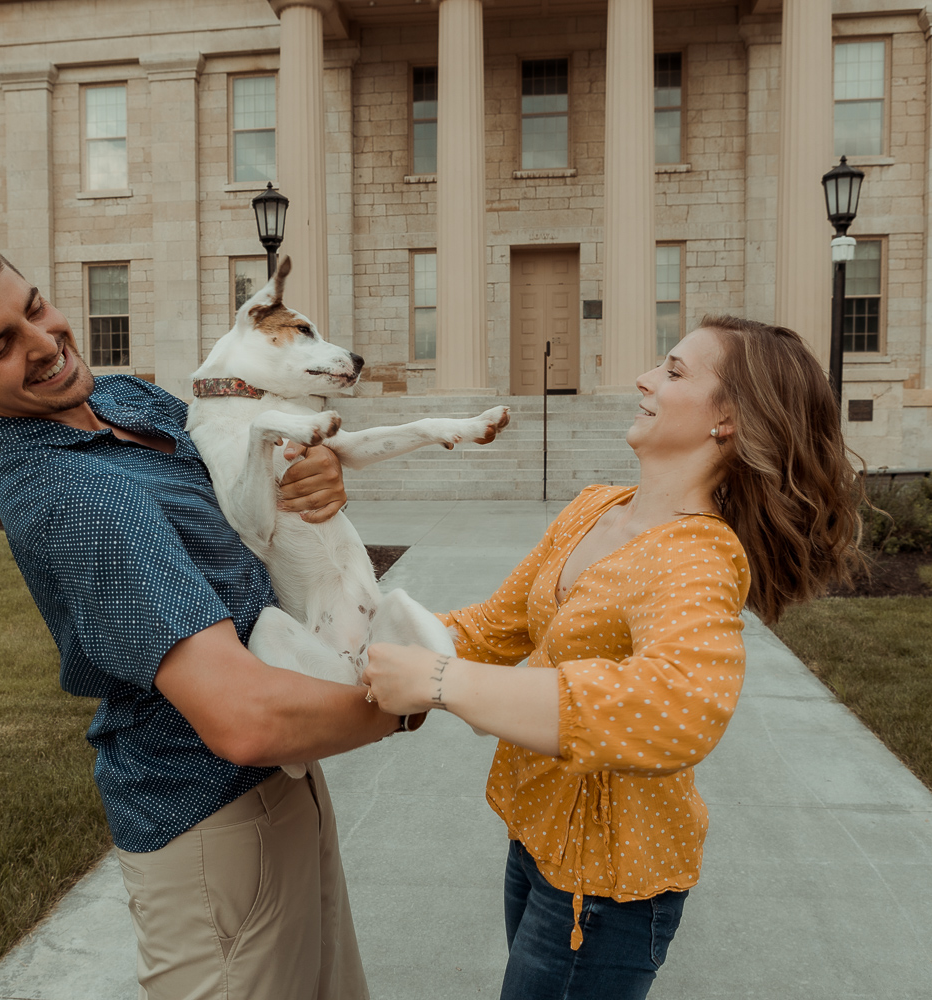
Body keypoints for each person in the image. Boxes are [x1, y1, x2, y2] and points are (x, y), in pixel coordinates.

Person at [0, 233, 415, 1000]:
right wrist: (421, 700)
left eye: (34, 309)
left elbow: (252, 495)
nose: (44, 343)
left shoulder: (128, 399)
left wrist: (312, 475)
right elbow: (242, 721)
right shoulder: (79, 497)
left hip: (289, 774)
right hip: (212, 817)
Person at [362, 316, 865, 1000]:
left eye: (676, 371)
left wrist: (444, 682)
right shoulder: (595, 509)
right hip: (537, 842)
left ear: (730, 419)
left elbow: (676, 706)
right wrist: (364, 636)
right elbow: (495, 625)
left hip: (606, 885)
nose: (645, 378)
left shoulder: (697, 555)